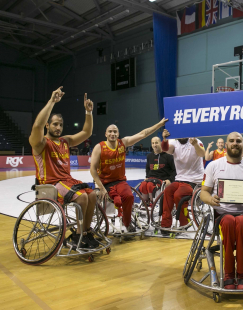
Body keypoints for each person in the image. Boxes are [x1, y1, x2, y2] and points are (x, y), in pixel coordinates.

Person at [30, 87, 99, 248]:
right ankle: (78, 235)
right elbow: (36, 127)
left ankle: (86, 232)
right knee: (81, 197)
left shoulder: (65, 141)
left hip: (67, 181)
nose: (58, 127)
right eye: (55, 124)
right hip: (51, 184)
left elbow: (86, 132)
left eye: (60, 125)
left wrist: (88, 112)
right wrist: (52, 101)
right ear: (48, 125)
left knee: (93, 195)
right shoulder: (40, 143)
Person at [200, 132, 243, 290]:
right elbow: (204, 192)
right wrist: (210, 199)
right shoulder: (214, 166)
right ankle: (229, 273)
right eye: (231, 141)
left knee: (242, 222)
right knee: (230, 221)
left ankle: (242, 273)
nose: (235, 143)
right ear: (226, 144)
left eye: (238, 141)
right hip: (222, 215)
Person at [90, 119, 168, 233]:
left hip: (119, 181)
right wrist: (100, 187)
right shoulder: (99, 147)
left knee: (129, 197)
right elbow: (92, 169)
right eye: (110, 131)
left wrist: (159, 125)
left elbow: (143, 133)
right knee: (112, 199)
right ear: (105, 134)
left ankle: (127, 223)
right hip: (105, 182)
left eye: (115, 131)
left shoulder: (123, 142)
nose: (113, 134)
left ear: (118, 133)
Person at [160, 129, 205, 236]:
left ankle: (185, 221)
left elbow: (202, 154)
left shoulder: (196, 141)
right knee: (167, 191)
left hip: (194, 180)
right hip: (180, 178)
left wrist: (196, 146)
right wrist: (165, 139)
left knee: (178, 195)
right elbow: (166, 149)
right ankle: (165, 224)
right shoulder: (174, 143)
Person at [139, 136, 176, 206]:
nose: (154, 145)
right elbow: (148, 168)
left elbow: (174, 170)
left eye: (156, 143)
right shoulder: (149, 156)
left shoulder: (168, 156)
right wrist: (147, 177)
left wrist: (170, 180)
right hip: (151, 179)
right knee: (143, 185)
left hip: (162, 179)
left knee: (150, 185)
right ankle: (145, 203)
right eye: (153, 143)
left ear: (161, 143)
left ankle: (152, 203)